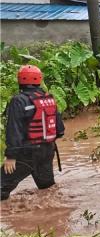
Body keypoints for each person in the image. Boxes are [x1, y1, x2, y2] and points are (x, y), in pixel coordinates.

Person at [1, 65, 65, 200]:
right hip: (48, 150)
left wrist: (11, 156)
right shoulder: (48, 99)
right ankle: (52, 217)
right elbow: (60, 130)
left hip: (26, 154)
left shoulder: (18, 100)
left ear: (20, 80)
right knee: (47, 190)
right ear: (39, 80)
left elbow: (14, 130)